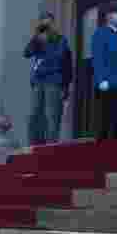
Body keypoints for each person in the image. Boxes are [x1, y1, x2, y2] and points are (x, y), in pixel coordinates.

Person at [24, 12, 73, 145]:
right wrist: (36, 38)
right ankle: (34, 145)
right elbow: (27, 53)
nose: (46, 26)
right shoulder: (38, 40)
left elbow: (62, 60)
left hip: (54, 80)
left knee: (51, 115)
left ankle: (51, 145)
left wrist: (65, 86)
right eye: (43, 23)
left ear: (53, 24)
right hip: (38, 81)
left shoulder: (60, 40)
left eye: (48, 23)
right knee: (35, 114)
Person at [91, 2, 117, 141]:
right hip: (106, 84)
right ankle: (100, 154)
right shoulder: (100, 33)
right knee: (104, 121)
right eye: (116, 12)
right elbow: (98, 59)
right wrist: (102, 79)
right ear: (109, 15)